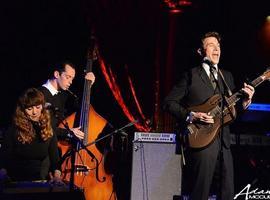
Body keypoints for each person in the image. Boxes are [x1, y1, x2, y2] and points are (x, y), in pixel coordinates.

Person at [163, 32, 255, 200]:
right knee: (200, 192)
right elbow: (169, 102)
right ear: (200, 51)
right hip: (202, 142)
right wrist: (191, 115)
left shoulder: (226, 76)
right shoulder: (190, 75)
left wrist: (245, 101)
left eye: (218, 46)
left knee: (227, 193)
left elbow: (233, 111)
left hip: (224, 143)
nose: (217, 49)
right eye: (211, 45)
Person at [0, 88, 61, 182]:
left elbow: (55, 160)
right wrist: (3, 175)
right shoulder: (14, 130)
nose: (34, 112)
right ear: (23, 110)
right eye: (29, 109)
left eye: (38, 107)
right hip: (14, 181)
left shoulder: (48, 129)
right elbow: (3, 158)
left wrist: (57, 176)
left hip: (39, 180)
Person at [38, 61, 95, 140]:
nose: (70, 82)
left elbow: (78, 106)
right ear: (57, 74)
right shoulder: (39, 95)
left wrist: (89, 85)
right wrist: (68, 132)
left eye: (72, 78)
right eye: (68, 77)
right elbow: (39, 127)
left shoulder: (63, 94)